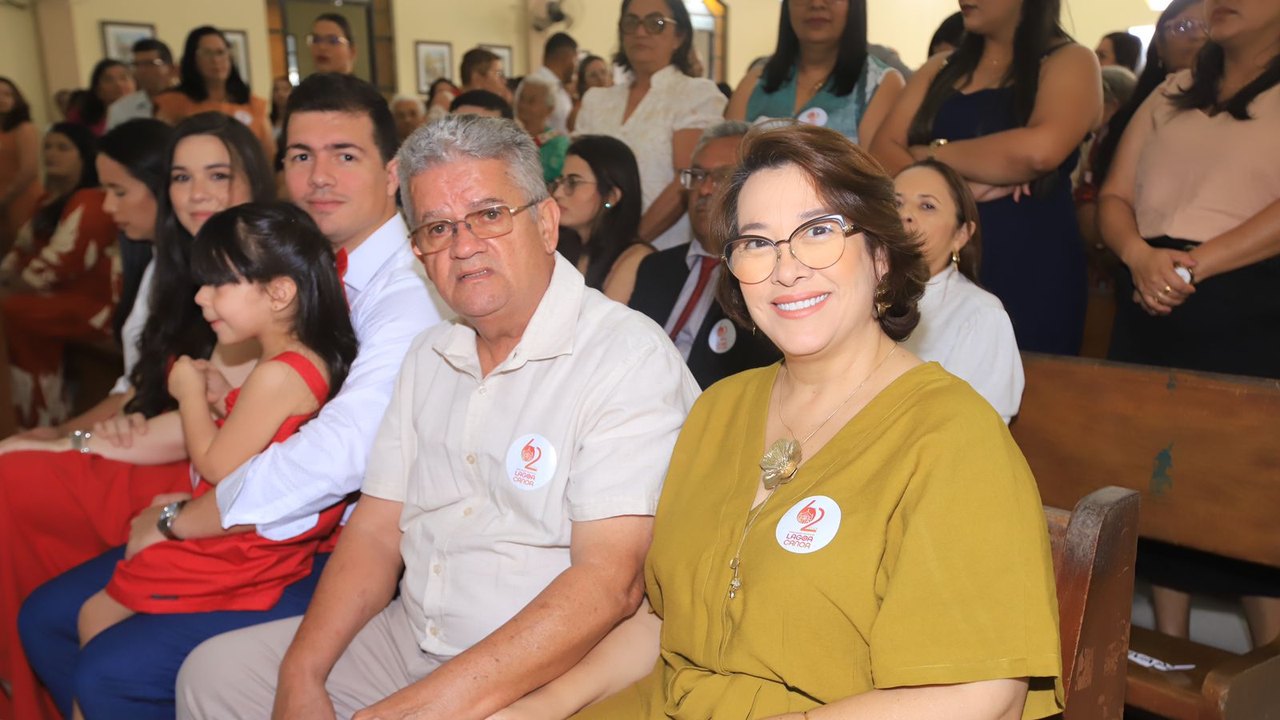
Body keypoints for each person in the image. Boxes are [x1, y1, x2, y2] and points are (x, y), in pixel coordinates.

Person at [499, 123, 1063, 720]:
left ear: (880, 254)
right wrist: (540, 706)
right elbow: (662, 625)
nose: (785, 270)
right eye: (756, 242)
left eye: (818, 231)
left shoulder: (951, 436)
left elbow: (982, 693)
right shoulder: (718, 409)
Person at [175, 112, 698, 720]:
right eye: (437, 227)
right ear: (418, 251)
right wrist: (302, 673)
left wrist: (418, 706)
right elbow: (375, 533)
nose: (463, 245)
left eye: (489, 215)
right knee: (215, 676)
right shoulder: (429, 355)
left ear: (546, 222)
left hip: (553, 666)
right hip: (413, 634)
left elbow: (610, 582)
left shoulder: (624, 358)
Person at [20, 202, 358, 720]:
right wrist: (223, 398)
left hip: (241, 548)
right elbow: (256, 443)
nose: (201, 297)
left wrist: (189, 396)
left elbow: (218, 467)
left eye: (218, 284)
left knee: (95, 617)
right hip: (236, 532)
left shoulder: (279, 373)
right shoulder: (295, 362)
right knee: (91, 617)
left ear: (279, 292)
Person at [0, 111, 272, 720]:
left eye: (217, 175)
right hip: (180, 449)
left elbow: (219, 427)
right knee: (16, 475)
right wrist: (81, 432)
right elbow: (144, 386)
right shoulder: (182, 260)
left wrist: (73, 442)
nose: (196, 193)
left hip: (216, 479)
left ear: (253, 177)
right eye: (182, 177)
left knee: (16, 479)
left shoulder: (263, 269)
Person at [1099, 0, 1280, 649]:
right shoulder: (1172, 88)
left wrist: (1190, 266)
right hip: (1148, 294)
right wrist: (1139, 255)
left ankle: (1267, 677)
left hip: (1249, 305)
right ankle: (1169, 654)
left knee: (1247, 499)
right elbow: (1114, 195)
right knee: (1154, 490)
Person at [871, 0, 1102, 355]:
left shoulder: (1071, 60)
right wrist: (960, 188)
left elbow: (1040, 151)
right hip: (930, 261)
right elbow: (881, 151)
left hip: (1029, 261)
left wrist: (929, 153)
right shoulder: (939, 67)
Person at [629, 121, 781, 389]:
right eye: (698, 176)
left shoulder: (768, 278)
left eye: (722, 176)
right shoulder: (655, 268)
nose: (705, 189)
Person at [576, 0, 727, 252]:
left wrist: (630, 244)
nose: (640, 32)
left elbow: (686, 180)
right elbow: (579, 174)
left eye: (655, 23)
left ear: (679, 36)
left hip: (660, 247)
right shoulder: (597, 100)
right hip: (592, 244)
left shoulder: (695, 95)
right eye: (631, 22)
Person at [1, 123, 117, 430]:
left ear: (84, 156)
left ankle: (44, 414)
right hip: (55, 297)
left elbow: (60, 263)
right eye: (48, 146)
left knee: (11, 310)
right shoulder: (46, 201)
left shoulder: (91, 199)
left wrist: (14, 283)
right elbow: (19, 251)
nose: (52, 154)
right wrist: (8, 277)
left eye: (63, 147)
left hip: (94, 305)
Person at [895, 159, 1023, 422]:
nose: (904, 214)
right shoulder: (854, 297)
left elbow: (981, 427)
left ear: (961, 235)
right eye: (895, 203)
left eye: (927, 206)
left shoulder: (981, 314)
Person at [727, 0, 905, 145]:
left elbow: (873, 171)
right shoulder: (754, 81)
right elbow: (725, 160)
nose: (816, 4)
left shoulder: (880, 84)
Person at [1091, 0, 1207, 196]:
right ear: (1160, 45)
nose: (1199, 36)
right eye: (1184, 26)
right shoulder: (1132, 116)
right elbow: (1098, 188)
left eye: (1208, 27)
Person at [552, 134, 651, 303]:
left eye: (573, 182)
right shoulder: (564, 246)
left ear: (611, 196)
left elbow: (597, 321)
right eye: (560, 181)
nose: (557, 193)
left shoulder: (635, 259)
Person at [155, 26, 276, 162]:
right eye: (207, 53)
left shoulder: (252, 104)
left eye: (221, 52)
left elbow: (269, 157)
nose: (216, 60)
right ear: (192, 58)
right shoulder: (174, 103)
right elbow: (161, 152)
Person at [0, 77, 42, 257]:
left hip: (21, 196)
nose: (2, 99)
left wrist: (5, 199)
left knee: (24, 250)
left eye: (8, 94)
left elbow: (29, 170)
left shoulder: (24, 128)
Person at [107, 39, 178, 130]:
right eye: (137, 65)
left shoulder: (189, 103)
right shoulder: (121, 109)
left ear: (171, 68)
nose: (142, 71)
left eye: (149, 64)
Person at [515, 76, 569, 181]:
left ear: (550, 109)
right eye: (521, 98)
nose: (523, 105)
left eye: (531, 101)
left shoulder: (559, 145)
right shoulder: (509, 136)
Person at [67, 59, 136, 137]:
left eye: (124, 78)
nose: (118, 84)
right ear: (97, 90)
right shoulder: (81, 118)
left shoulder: (144, 113)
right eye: (109, 80)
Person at [530, 31, 577, 135]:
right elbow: (531, 133)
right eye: (575, 60)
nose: (576, 66)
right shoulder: (538, 86)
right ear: (567, 58)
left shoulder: (556, 86)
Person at [271, 76, 294, 140]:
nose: (280, 93)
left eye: (285, 89)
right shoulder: (268, 120)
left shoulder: (297, 118)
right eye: (276, 90)